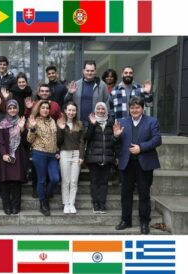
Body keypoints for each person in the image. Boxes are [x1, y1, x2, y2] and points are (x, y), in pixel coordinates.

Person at [113, 97, 162, 234]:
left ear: (142, 108)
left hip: (144, 163)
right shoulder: (122, 122)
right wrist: (116, 136)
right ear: (129, 109)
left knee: (144, 194)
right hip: (126, 164)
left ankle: (144, 222)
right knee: (125, 194)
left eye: (137, 107)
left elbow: (157, 139)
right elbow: (115, 144)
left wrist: (141, 147)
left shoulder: (152, 121)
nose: (134, 110)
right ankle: (126, 220)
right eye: (132, 108)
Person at [27, 100, 60, 216]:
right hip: (39, 153)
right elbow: (29, 140)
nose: (45, 110)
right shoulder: (34, 121)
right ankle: (43, 203)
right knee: (41, 179)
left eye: (47, 108)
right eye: (43, 108)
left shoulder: (52, 121)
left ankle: (45, 195)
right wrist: (32, 128)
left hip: (52, 155)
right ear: (39, 109)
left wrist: (57, 150)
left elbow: (54, 137)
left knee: (55, 178)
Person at [0, 100, 28, 215]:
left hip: (18, 156)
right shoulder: (2, 123)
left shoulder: (22, 121)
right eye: (10, 108)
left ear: (18, 109)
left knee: (16, 183)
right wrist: (3, 154)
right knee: (5, 183)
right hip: (5, 156)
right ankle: (7, 206)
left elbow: (27, 141)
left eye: (14, 108)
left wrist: (22, 129)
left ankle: (16, 206)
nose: (12, 110)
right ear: (7, 110)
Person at [85, 102, 116, 214]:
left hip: (107, 157)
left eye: (103, 109)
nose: (101, 111)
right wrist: (93, 125)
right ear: (95, 110)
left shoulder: (111, 122)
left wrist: (116, 136)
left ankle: (102, 204)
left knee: (104, 182)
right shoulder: (91, 121)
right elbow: (87, 137)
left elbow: (114, 141)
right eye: (98, 109)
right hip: (94, 157)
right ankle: (95, 204)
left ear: (106, 110)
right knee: (94, 181)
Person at [57, 101, 85, 214]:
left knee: (74, 181)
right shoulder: (60, 122)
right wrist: (62, 129)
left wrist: (82, 156)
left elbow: (82, 142)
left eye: (73, 110)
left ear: (76, 111)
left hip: (77, 154)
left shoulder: (79, 124)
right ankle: (66, 204)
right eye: (69, 110)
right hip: (64, 153)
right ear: (65, 110)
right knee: (66, 181)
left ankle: (72, 204)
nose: (71, 112)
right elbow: (58, 142)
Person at [65, 60, 108, 127]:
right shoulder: (76, 85)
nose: (89, 73)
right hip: (78, 123)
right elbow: (66, 102)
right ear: (83, 71)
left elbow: (106, 103)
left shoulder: (102, 85)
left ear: (95, 71)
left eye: (92, 71)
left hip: (96, 124)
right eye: (87, 70)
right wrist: (70, 93)